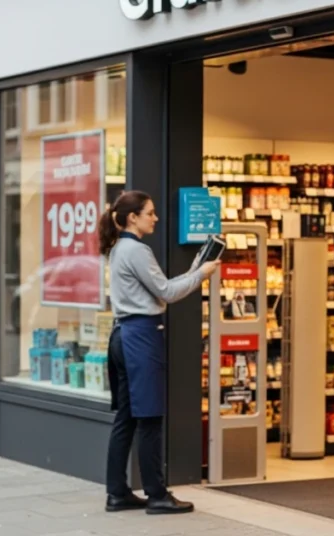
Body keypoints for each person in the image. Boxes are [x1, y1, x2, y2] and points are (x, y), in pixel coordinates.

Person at [98, 190, 220, 515]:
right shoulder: (136, 249)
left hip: (123, 335)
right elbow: (166, 292)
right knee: (150, 417)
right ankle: (157, 495)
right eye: (150, 213)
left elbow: (159, 290)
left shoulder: (119, 249)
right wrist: (202, 275)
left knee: (125, 417)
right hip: (142, 337)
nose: (155, 218)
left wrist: (194, 270)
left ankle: (117, 492)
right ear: (133, 217)